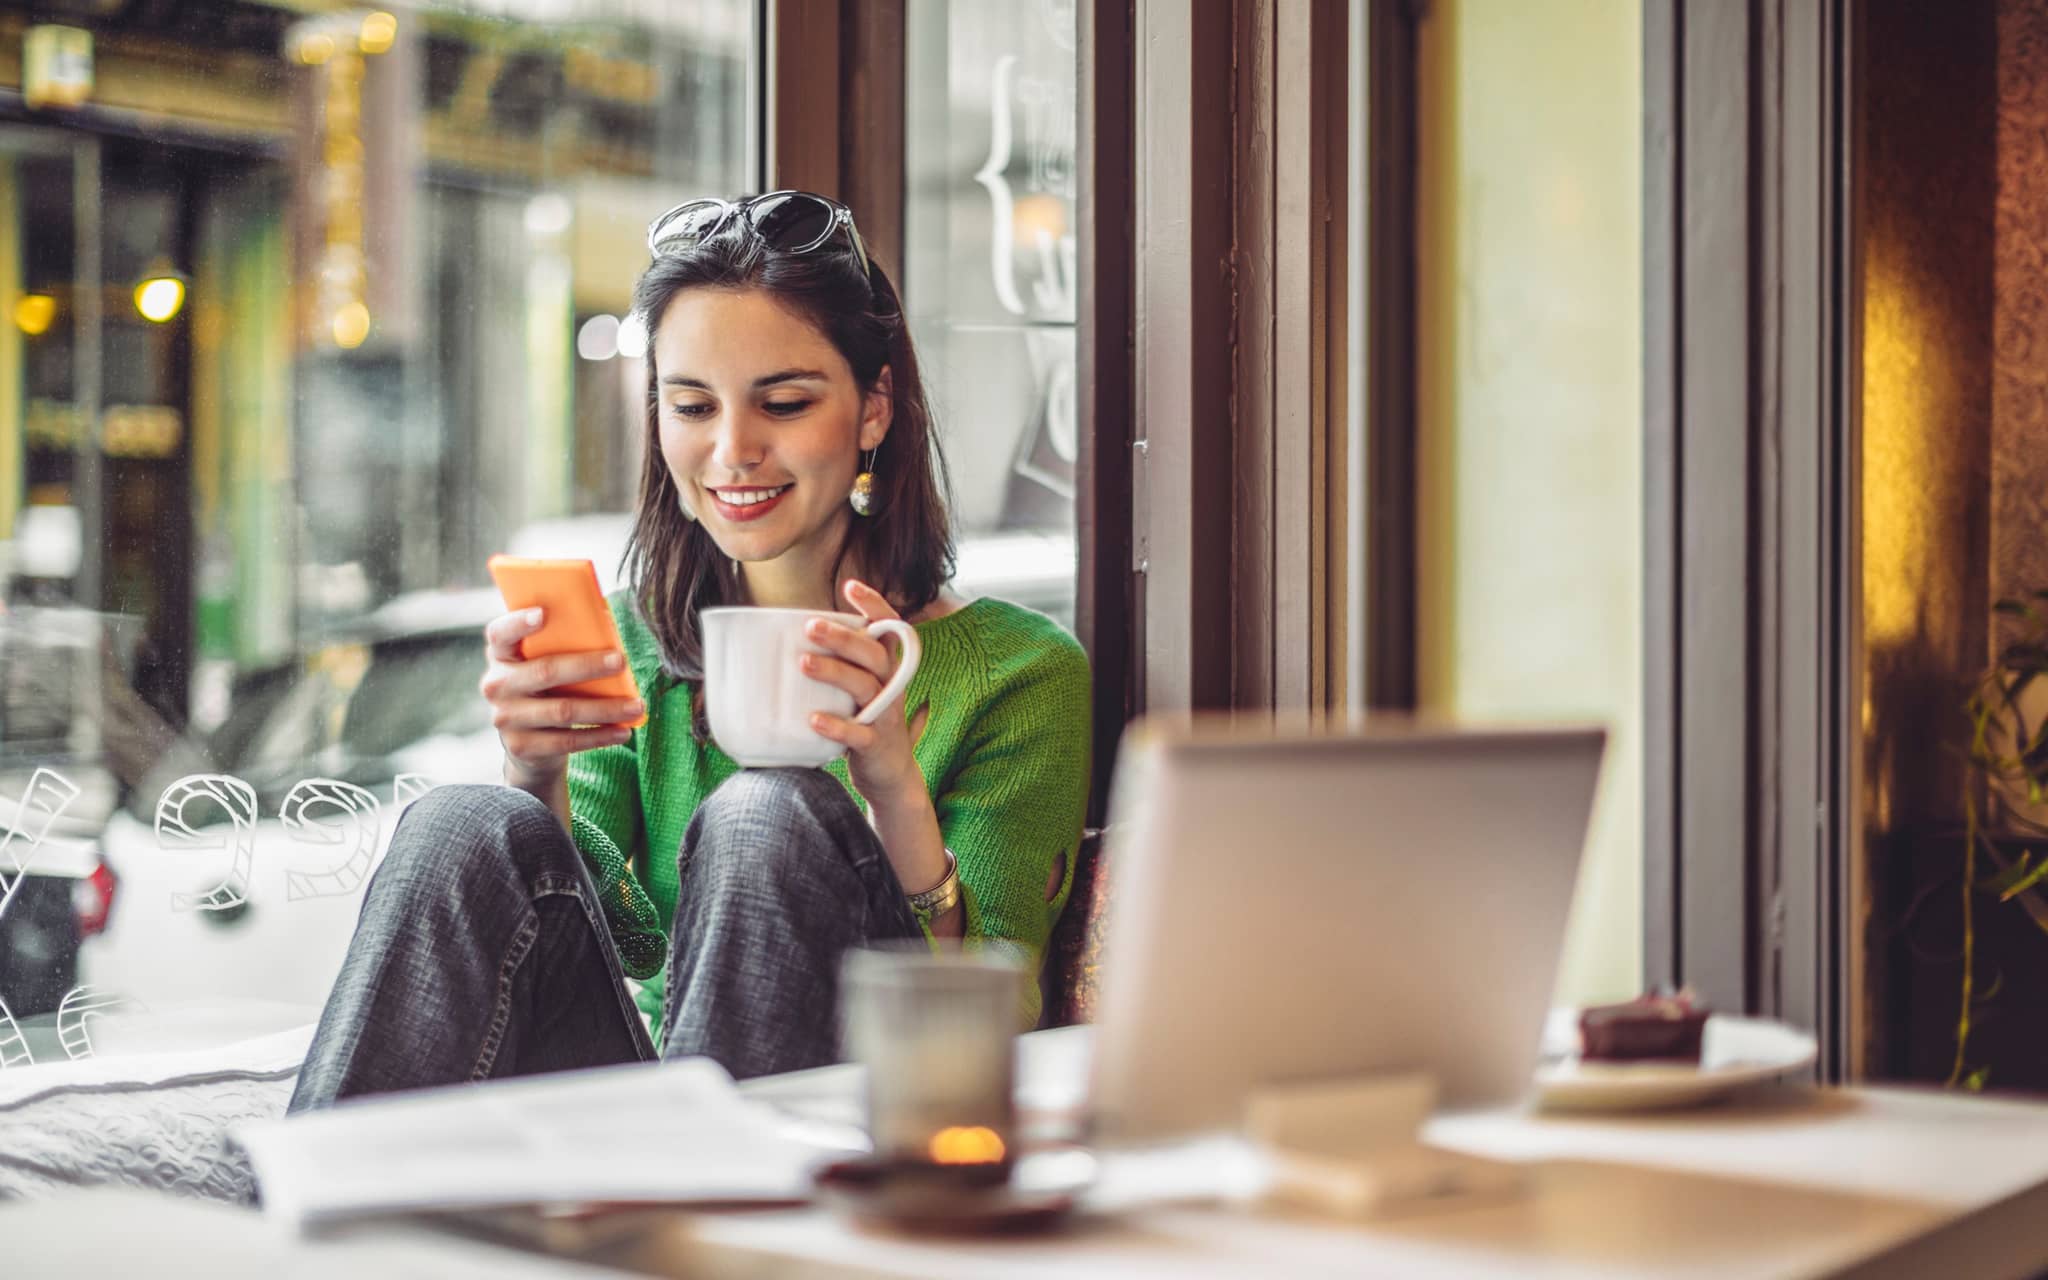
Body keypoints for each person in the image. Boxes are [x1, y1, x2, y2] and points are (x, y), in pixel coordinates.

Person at [288, 192, 1092, 1107]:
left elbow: (983, 1018)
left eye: (783, 403)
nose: (733, 450)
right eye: (692, 405)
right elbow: (622, 940)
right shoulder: (636, 637)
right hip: (651, 1103)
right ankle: (299, 1234)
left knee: (766, 811)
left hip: (854, 1108)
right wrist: (534, 773)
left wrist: (894, 790)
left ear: (874, 410)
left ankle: (713, 1226)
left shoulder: (1021, 673)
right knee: (463, 818)